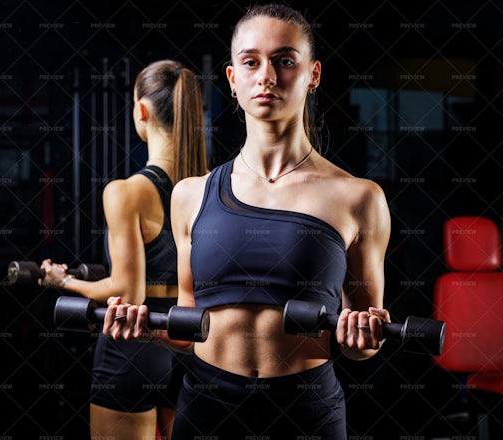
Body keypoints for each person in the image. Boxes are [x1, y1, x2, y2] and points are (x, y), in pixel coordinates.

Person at [103, 4, 392, 439]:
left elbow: (367, 344)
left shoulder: (358, 198)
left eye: (284, 61)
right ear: (233, 78)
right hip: (206, 402)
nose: (267, 77)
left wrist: (362, 336)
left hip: (305, 407)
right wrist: (146, 329)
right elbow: (188, 326)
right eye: (251, 62)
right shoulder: (191, 195)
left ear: (313, 75)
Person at [39, 59, 208, 439]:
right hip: (190, 347)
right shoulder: (209, 188)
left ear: (141, 110)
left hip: (134, 347)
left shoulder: (126, 193)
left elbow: (125, 293)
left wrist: (63, 281)